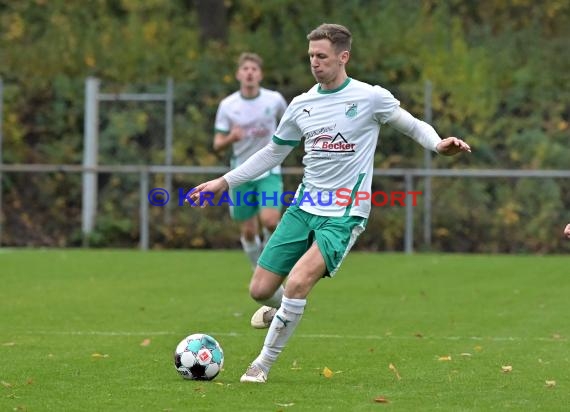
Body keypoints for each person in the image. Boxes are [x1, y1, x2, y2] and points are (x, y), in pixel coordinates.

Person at [188, 23, 471, 383]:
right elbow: (273, 152)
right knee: (260, 291)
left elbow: (413, 125)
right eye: (311, 57)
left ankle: (261, 364)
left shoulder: (371, 97)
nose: (315, 63)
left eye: (321, 56)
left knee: (296, 284)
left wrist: (437, 144)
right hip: (305, 206)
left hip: (345, 213)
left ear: (343, 56)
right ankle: (284, 314)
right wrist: (224, 182)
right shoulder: (302, 105)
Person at [212, 52, 288, 277]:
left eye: (254, 69)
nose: (249, 73)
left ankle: (268, 263)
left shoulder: (274, 100)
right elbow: (217, 144)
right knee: (247, 230)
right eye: (245, 69)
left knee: (271, 220)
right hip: (240, 174)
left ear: (260, 75)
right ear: (238, 75)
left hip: (269, 170)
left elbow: (290, 124)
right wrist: (230, 138)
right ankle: (257, 269)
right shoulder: (228, 105)